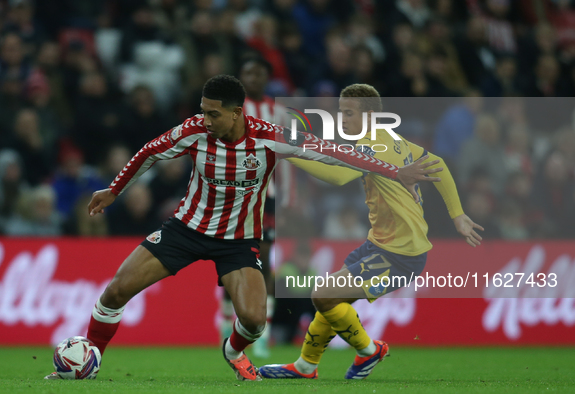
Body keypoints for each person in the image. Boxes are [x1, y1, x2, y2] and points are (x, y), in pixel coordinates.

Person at [43, 75, 441, 381]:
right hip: (185, 228)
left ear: (237, 112)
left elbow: (335, 153)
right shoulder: (193, 131)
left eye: (214, 112)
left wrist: (397, 171)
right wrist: (114, 190)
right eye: (203, 110)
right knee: (116, 290)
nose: (206, 118)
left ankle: (233, 352)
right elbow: (149, 151)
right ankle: (92, 358)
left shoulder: (270, 138)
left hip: (238, 241)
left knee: (253, 320)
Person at [260, 83, 484, 380]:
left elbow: (340, 176)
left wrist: (289, 154)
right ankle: (305, 366)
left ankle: (369, 350)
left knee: (323, 296)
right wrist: (457, 215)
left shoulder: (370, 144)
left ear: (369, 115)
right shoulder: (392, 139)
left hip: (400, 254)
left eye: (348, 113)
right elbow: (438, 163)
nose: (342, 118)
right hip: (379, 244)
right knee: (330, 301)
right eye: (341, 112)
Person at [217, 56, 277, 358]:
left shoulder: (279, 112)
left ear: (266, 77)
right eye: (248, 73)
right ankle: (226, 318)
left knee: (264, 260)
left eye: (258, 72)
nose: (253, 78)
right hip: (232, 194)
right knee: (230, 255)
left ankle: (260, 332)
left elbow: (291, 155)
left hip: (271, 196)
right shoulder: (229, 111)